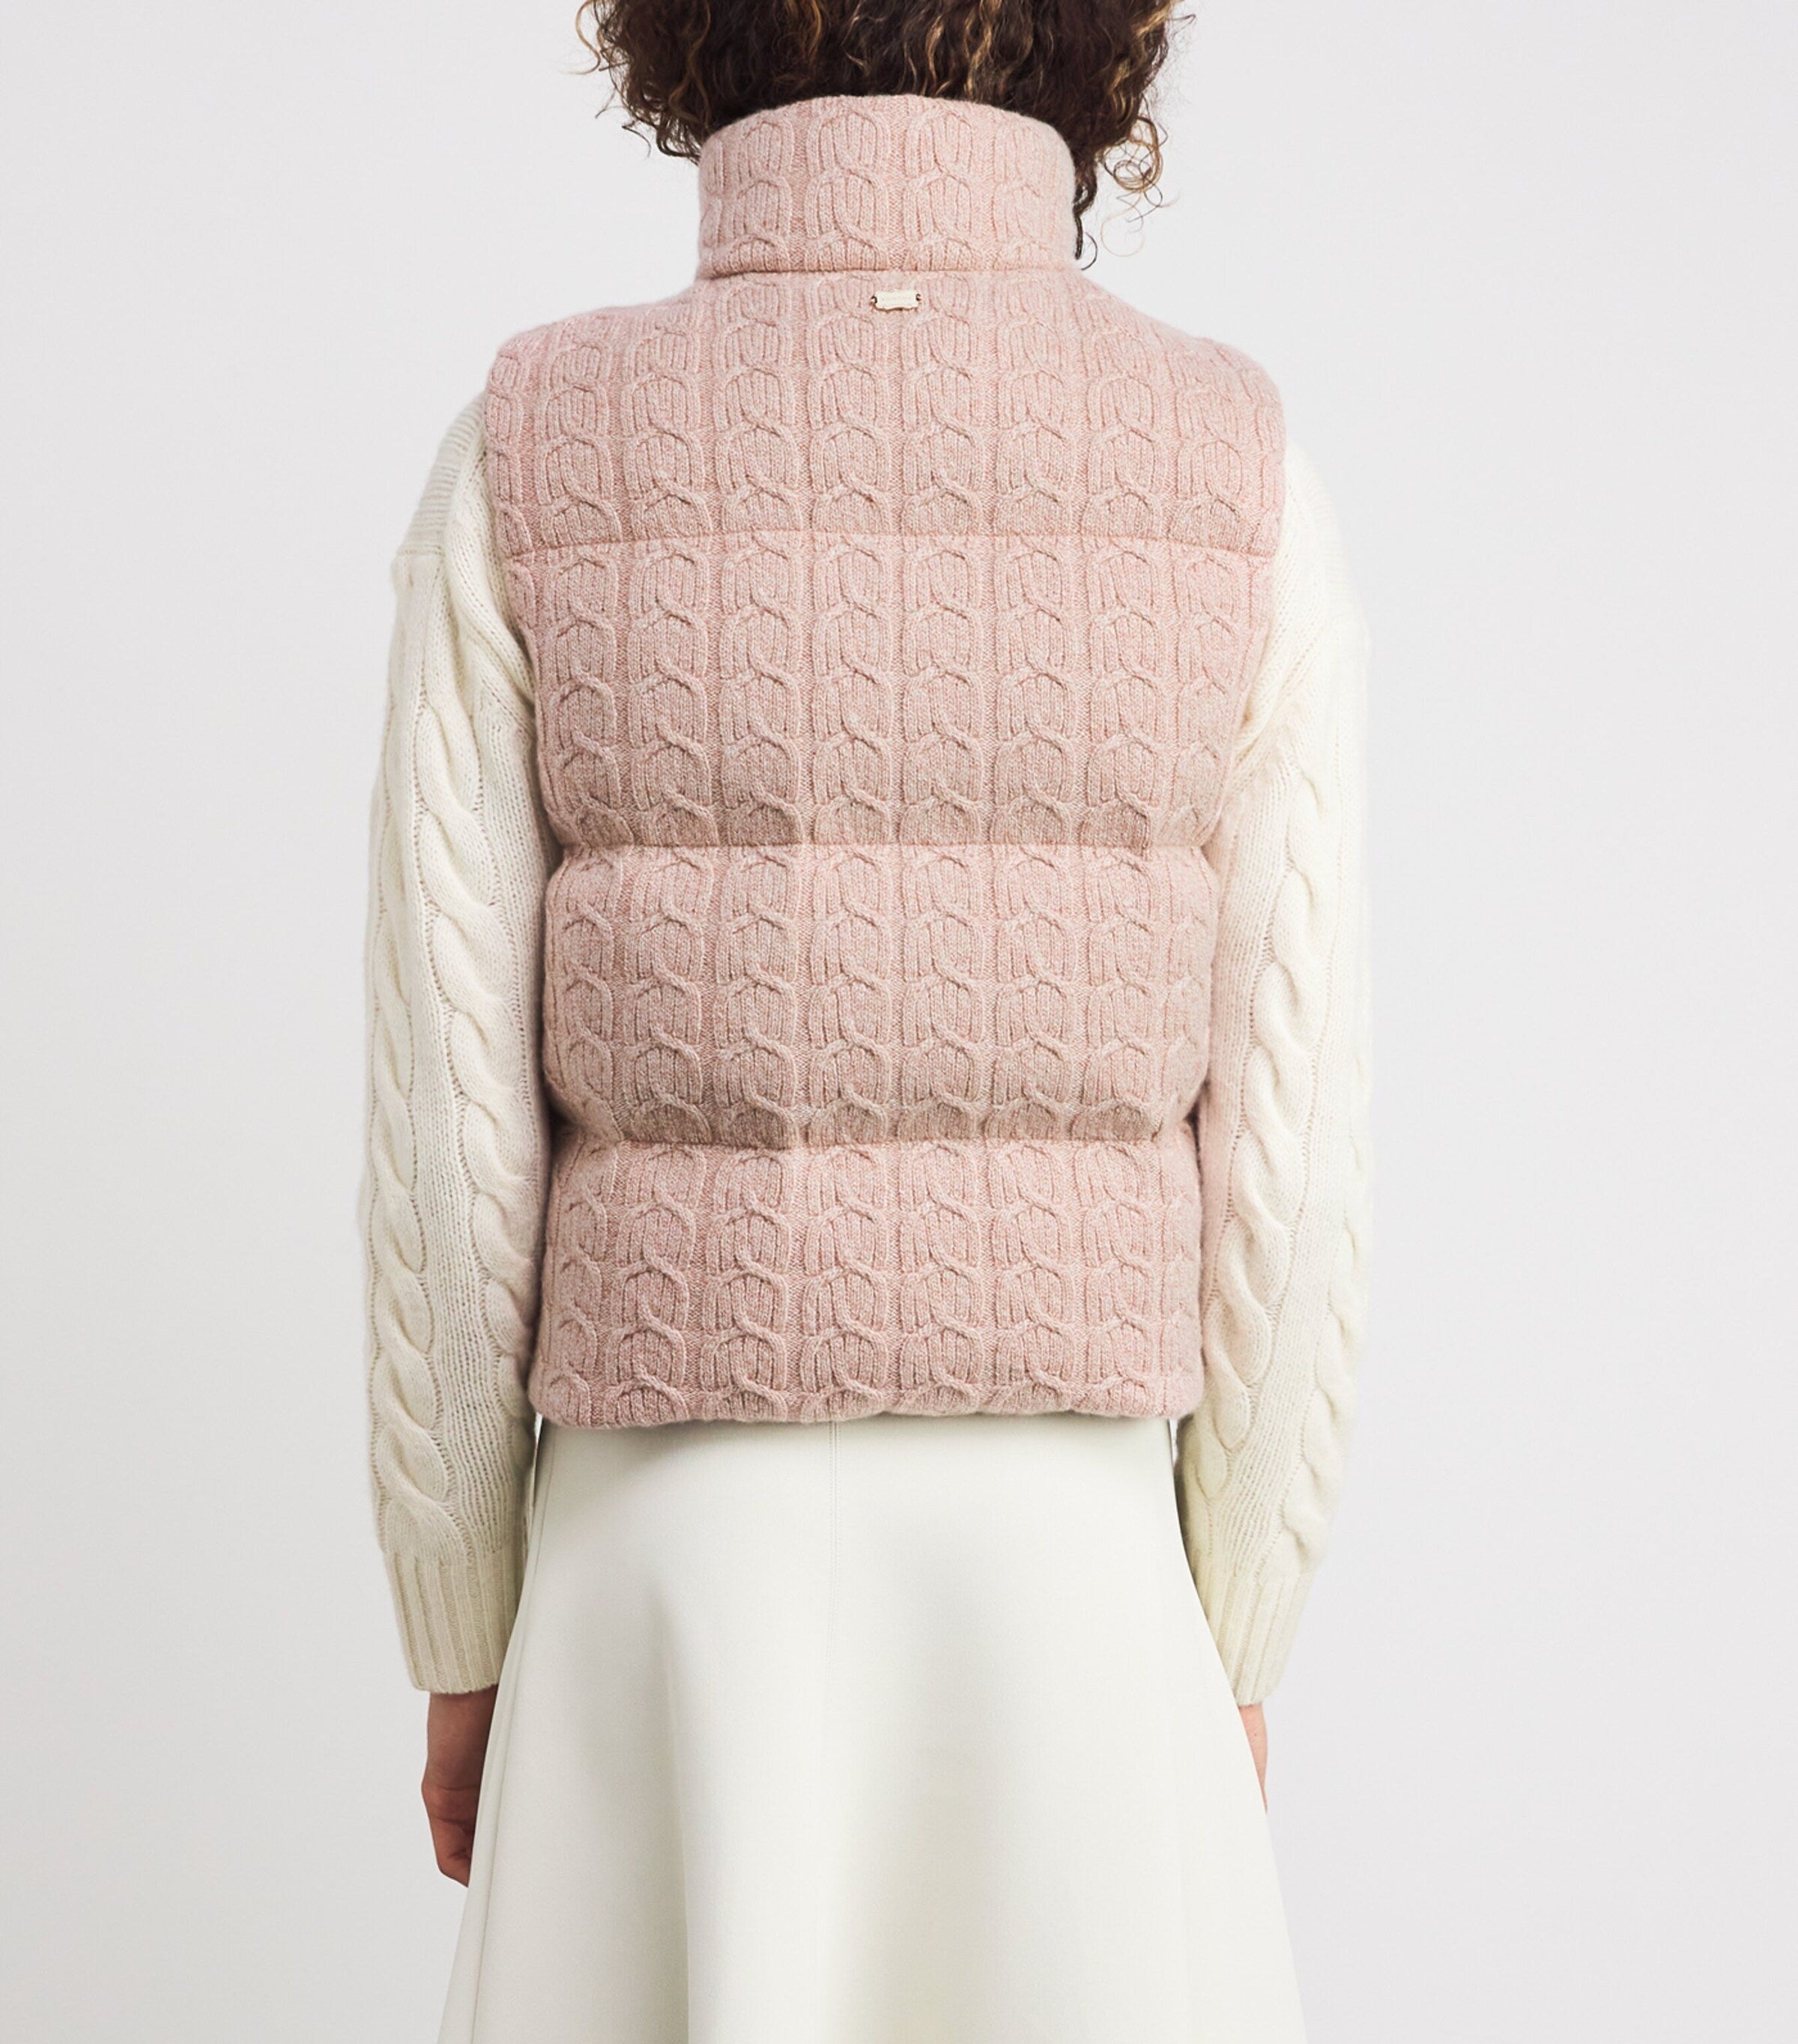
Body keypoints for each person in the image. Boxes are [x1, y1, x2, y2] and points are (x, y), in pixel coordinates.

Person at [362, 4, 1370, 2037]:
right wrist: (1239, 1635)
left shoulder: (531, 451)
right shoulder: (1232, 464)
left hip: (664, 1571)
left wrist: (462, 1630)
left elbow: (453, 1144)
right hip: (1073, 1575)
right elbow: (1291, 1149)